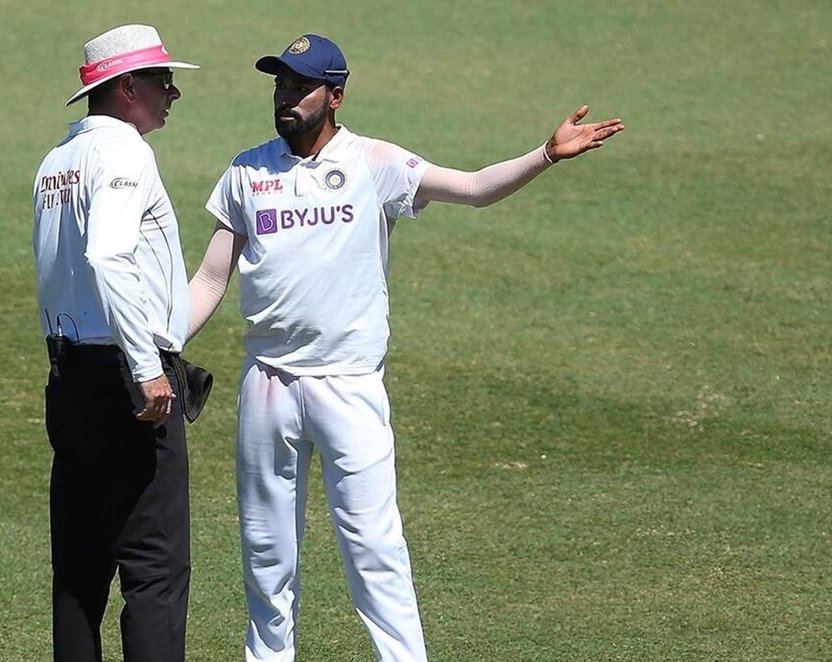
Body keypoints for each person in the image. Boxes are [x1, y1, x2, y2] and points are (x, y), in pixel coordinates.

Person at [187, 33, 623, 661]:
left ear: (334, 95)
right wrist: (156, 347)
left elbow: (471, 187)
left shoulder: (375, 163)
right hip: (266, 383)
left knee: (374, 549)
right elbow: (209, 278)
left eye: (299, 86)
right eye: (279, 83)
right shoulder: (247, 170)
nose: (285, 96)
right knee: (265, 550)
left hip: (348, 385)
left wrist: (545, 155)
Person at [32, 24, 199, 662]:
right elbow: (108, 256)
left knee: (78, 570)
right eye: (162, 81)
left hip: (68, 380)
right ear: (127, 88)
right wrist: (147, 367)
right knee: (154, 571)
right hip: (125, 382)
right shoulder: (126, 153)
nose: (173, 93)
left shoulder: (56, 161)